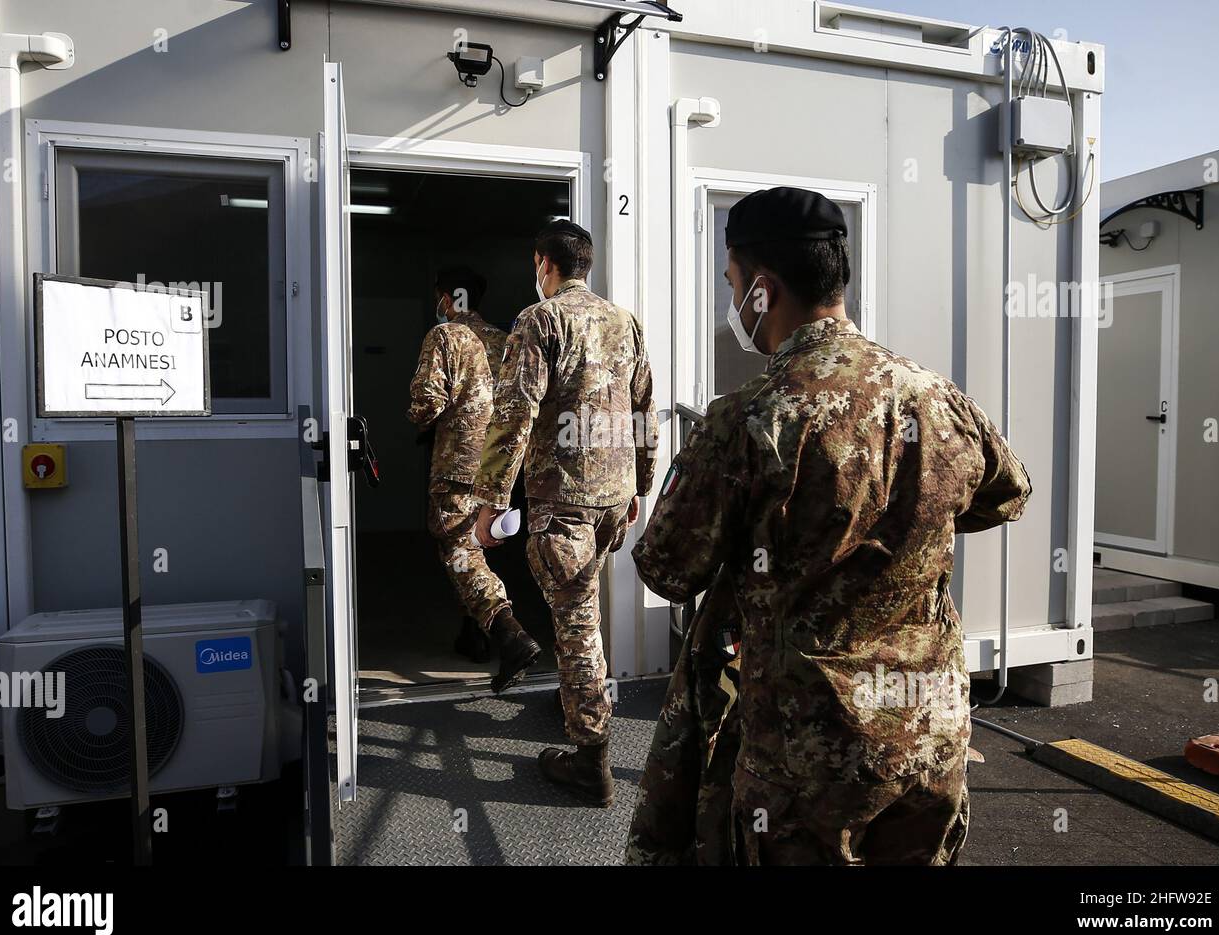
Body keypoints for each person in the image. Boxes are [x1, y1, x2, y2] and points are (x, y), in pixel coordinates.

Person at [631, 187, 1032, 864]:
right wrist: (898, 525)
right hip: (929, 737)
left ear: (762, 290)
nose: (734, 304)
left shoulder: (748, 416)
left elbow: (668, 568)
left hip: (806, 758)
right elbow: (1006, 493)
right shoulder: (933, 394)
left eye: (733, 285)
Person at [473, 220, 657, 807]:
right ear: (587, 265)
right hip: (610, 499)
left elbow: (514, 413)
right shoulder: (623, 322)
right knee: (581, 613)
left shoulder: (539, 319)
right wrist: (640, 486)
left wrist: (491, 502)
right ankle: (580, 700)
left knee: (577, 625)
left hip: (565, 503)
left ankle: (592, 761)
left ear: (543, 265)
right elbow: (643, 407)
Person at [409, 266, 540, 685]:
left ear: (447, 299)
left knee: (458, 551)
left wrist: (420, 420)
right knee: (476, 548)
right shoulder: (505, 343)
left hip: (455, 464)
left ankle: (508, 633)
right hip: (497, 467)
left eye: (440, 298)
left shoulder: (445, 335)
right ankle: (473, 634)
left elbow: (426, 402)